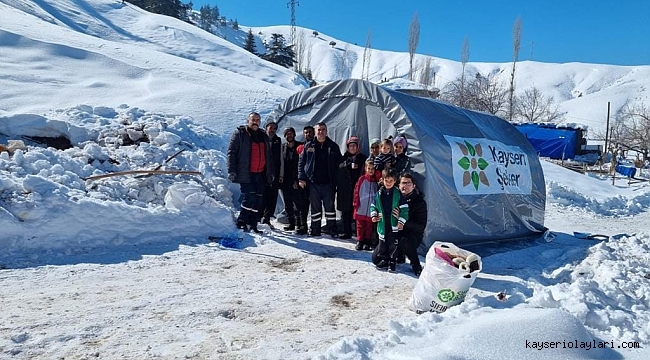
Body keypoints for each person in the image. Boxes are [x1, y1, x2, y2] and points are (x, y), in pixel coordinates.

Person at [227, 112, 273, 233]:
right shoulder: (240, 134)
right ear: (248, 121)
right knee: (249, 197)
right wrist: (231, 170)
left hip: (260, 173)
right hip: (246, 173)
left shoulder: (263, 135)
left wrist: (269, 172)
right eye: (253, 119)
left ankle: (253, 223)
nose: (255, 122)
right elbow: (231, 152)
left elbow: (268, 155)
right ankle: (241, 220)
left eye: (258, 120)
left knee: (258, 199)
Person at [298, 122, 343, 237]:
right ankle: (315, 230)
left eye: (323, 129)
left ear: (326, 131)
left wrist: (337, 181)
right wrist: (301, 178)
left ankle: (331, 229)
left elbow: (340, 164)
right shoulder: (309, 146)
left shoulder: (333, 146)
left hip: (328, 183)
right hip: (313, 183)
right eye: (319, 130)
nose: (321, 132)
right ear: (315, 131)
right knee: (315, 208)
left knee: (330, 208)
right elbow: (301, 163)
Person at [371, 169, 408, 272]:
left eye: (390, 180)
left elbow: (404, 208)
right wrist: (374, 215)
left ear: (395, 181)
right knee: (382, 242)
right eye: (386, 180)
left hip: (393, 223)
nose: (388, 183)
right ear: (382, 180)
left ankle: (392, 261)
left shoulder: (397, 193)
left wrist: (401, 221)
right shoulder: (379, 194)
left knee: (392, 243)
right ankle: (384, 259)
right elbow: (373, 205)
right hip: (383, 223)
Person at [337, 136, 368, 239]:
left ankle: (360, 233)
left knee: (358, 211)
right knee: (346, 211)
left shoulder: (363, 158)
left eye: (354, 145)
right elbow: (339, 167)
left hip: (359, 189)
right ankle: (347, 232)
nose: (352, 148)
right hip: (346, 190)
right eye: (350, 146)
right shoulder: (344, 157)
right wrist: (348, 165)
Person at [397, 173, 426, 276]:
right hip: (394, 232)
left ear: (414, 186)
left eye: (408, 183)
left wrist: (402, 222)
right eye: (403, 183)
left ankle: (416, 264)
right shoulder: (394, 198)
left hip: (412, 234)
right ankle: (398, 255)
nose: (405, 186)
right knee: (376, 258)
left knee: (405, 241)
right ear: (399, 185)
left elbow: (420, 226)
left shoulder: (419, 202)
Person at [279, 127, 304, 232]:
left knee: (297, 203)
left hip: (296, 179)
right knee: (288, 203)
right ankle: (291, 223)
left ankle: (299, 223)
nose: (289, 135)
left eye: (291, 133)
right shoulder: (283, 147)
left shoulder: (300, 146)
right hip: (285, 180)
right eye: (287, 134)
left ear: (294, 135)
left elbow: (302, 164)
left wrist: (297, 179)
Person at [353, 159, 378, 250]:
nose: (370, 170)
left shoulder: (375, 182)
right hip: (361, 206)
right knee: (360, 225)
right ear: (366, 169)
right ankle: (360, 240)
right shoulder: (362, 179)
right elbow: (356, 191)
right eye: (369, 168)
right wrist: (356, 203)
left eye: (372, 169)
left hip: (371, 208)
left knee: (369, 225)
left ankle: (367, 241)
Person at [295, 126, 314, 235]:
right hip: (304, 181)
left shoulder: (318, 145)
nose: (308, 134)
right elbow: (298, 164)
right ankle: (303, 225)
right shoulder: (300, 147)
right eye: (306, 132)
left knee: (316, 205)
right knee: (303, 205)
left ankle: (315, 226)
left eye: (310, 132)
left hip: (315, 181)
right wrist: (299, 178)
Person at [261, 122, 282, 226]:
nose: (272, 130)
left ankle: (267, 217)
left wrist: (280, 174)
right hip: (261, 171)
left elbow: (280, 158)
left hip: (274, 172)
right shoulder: (260, 138)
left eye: (274, 128)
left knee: (272, 196)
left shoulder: (277, 141)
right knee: (261, 195)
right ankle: (258, 217)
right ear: (265, 128)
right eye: (271, 128)